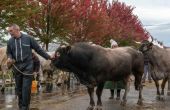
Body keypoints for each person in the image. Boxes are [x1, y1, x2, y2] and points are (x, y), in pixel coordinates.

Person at [6, 24, 53, 110]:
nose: (9, 33)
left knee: (26, 89)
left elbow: (38, 49)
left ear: (17, 29)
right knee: (19, 89)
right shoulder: (10, 42)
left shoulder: (29, 38)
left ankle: (25, 108)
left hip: (28, 67)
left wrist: (49, 57)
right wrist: (9, 57)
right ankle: (21, 107)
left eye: (11, 31)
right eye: (9, 31)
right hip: (17, 67)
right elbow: (9, 52)